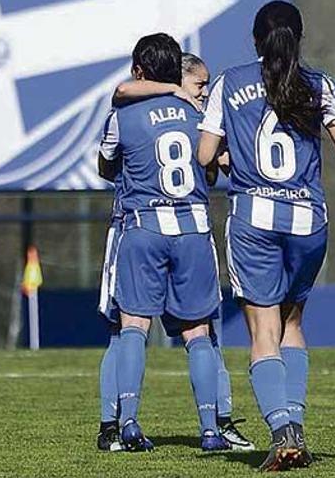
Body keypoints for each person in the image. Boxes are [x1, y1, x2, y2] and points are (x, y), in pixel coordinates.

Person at [196, 0, 335, 471]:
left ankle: (281, 431)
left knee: (263, 330)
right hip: (307, 220)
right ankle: (296, 425)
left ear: (255, 40)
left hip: (255, 217)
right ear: (299, 38)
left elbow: (206, 151)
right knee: (293, 323)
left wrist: (222, 160)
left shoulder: (229, 83)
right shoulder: (318, 83)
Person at [109, 53, 254, 451]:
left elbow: (107, 165)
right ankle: (210, 430)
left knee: (134, 328)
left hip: (145, 227)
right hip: (193, 230)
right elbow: (215, 166)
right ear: (180, 74)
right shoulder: (203, 116)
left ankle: (129, 425)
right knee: (198, 334)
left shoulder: (124, 115)